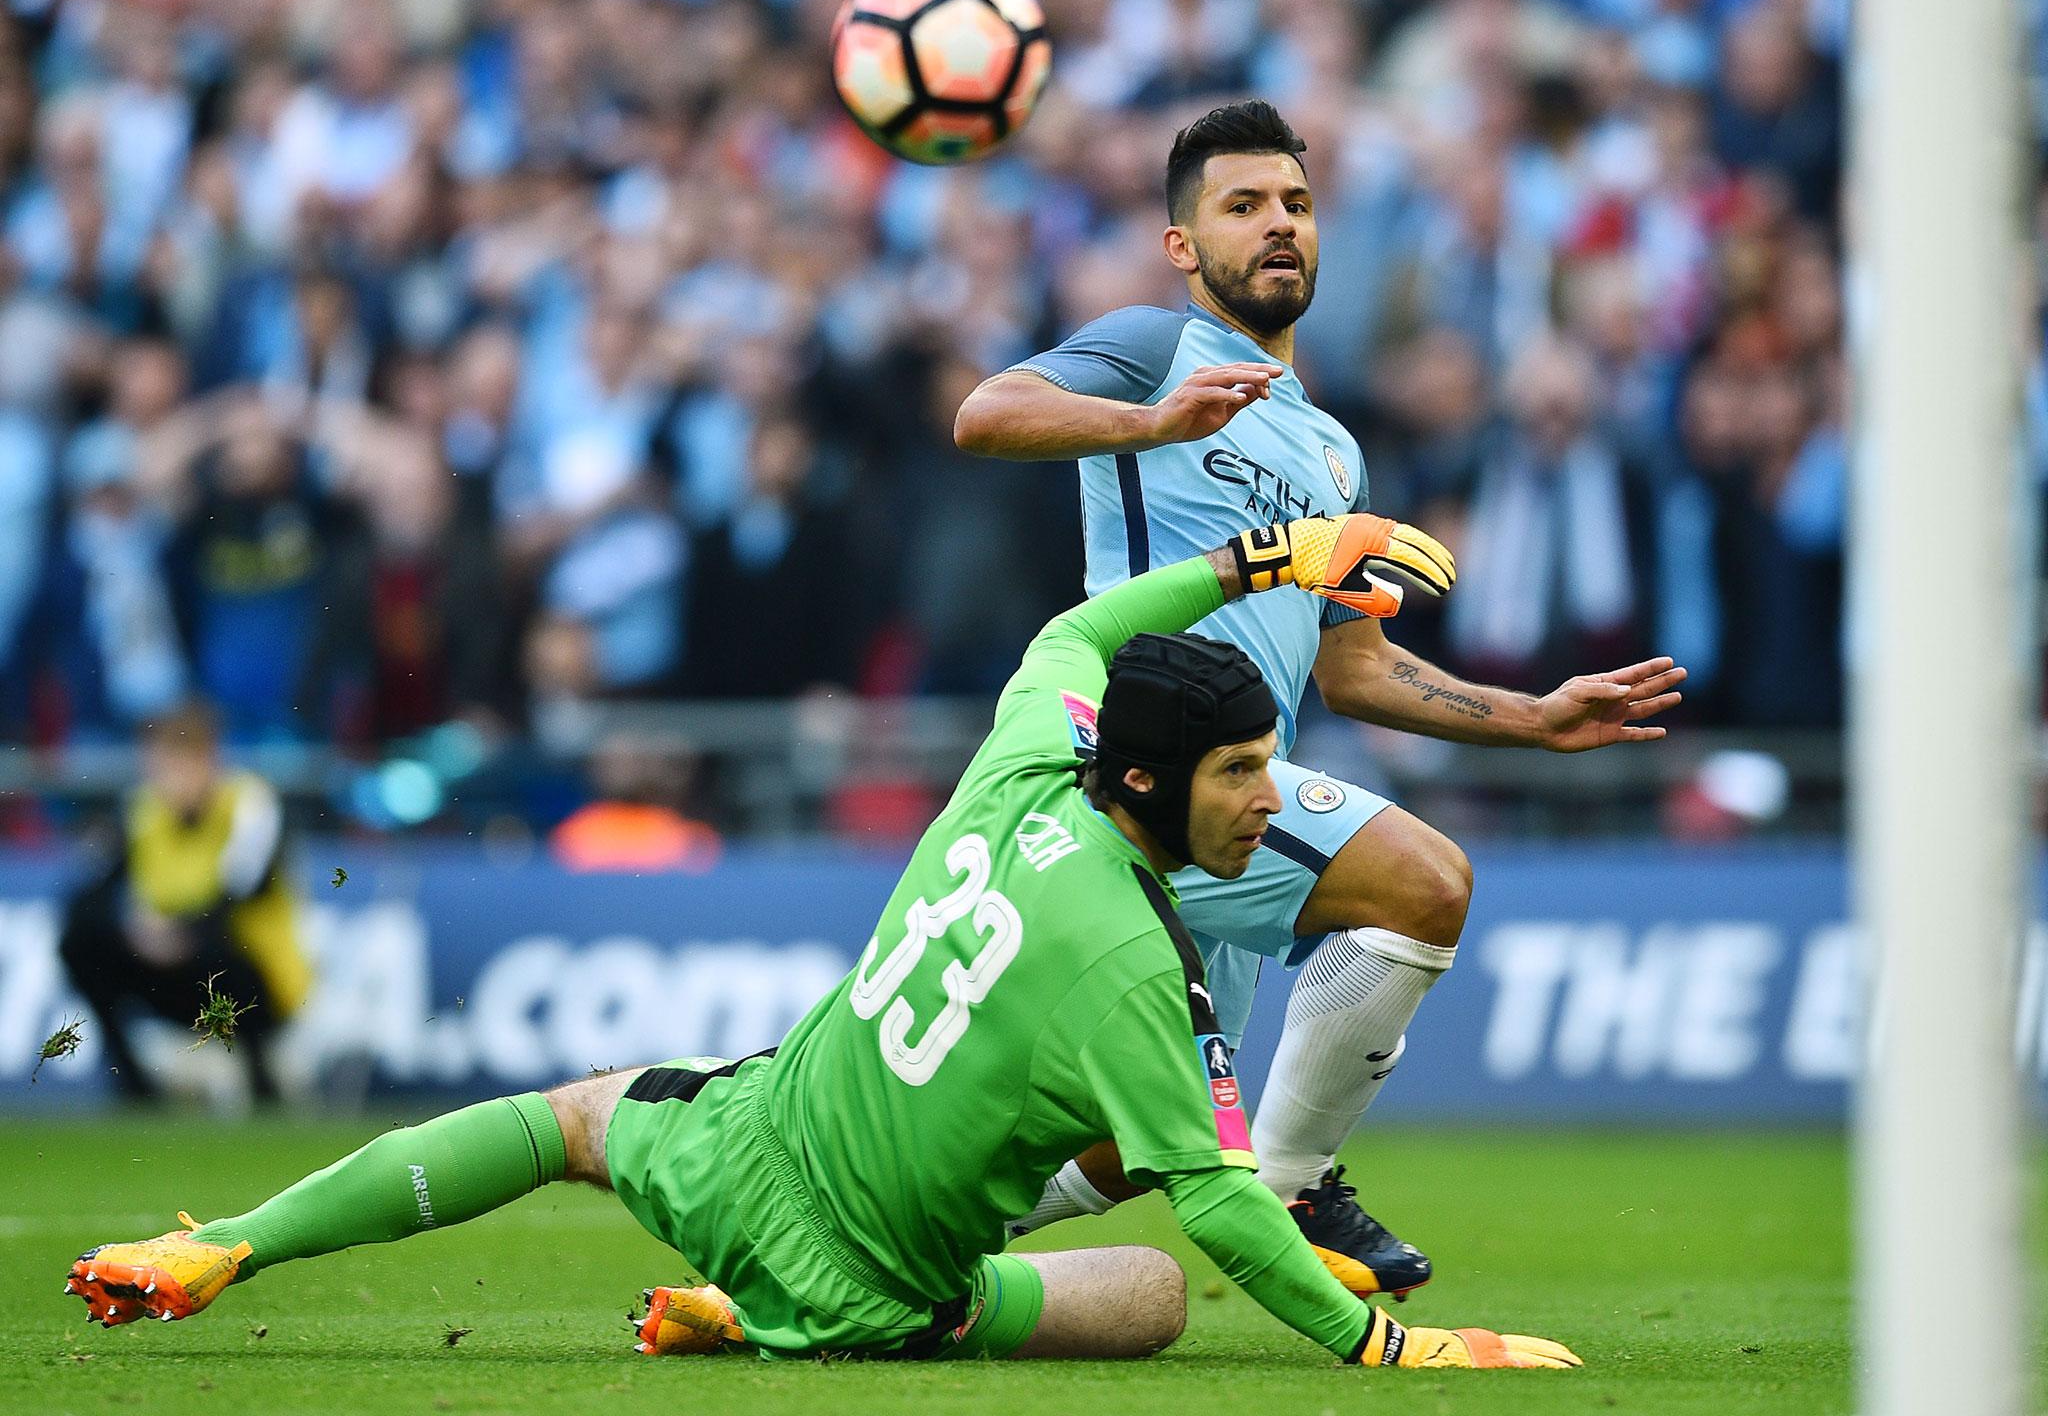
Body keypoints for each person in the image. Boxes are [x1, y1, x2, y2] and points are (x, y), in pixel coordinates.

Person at [64, 514, 1576, 1372]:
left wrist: (1268, 560)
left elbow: (1080, 630)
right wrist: (1399, 1359)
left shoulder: (1021, 757)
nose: (1268, 802)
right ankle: (770, 1315)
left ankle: (229, 1246)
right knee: (1158, 1287)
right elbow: (1234, 1216)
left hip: (739, 1135)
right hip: (876, 1288)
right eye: (1239, 772)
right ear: (1142, 780)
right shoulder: (1138, 965)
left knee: (564, 1118)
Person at [956, 100, 1685, 1295]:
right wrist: (1150, 423)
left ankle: (882, 1245)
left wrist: (1530, 716)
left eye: (1293, 204)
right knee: (1424, 883)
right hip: (1143, 764)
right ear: (1183, 245)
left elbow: (1350, 669)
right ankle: (1291, 1191)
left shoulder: (1337, 453)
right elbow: (982, 415)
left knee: (1136, 1139)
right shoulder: (1152, 346)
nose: (1276, 226)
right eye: (1240, 207)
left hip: (1232, 792)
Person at [56, 701, 312, 1102]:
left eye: (177, 764)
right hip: (174, 968)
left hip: (253, 975)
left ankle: (262, 1080)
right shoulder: (143, 809)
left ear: (208, 760)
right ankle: (135, 1087)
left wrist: (180, 932)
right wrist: (137, 932)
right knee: (80, 942)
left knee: (223, 954)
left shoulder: (249, 804)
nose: (165, 779)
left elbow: (244, 890)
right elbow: (90, 895)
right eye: (158, 765)